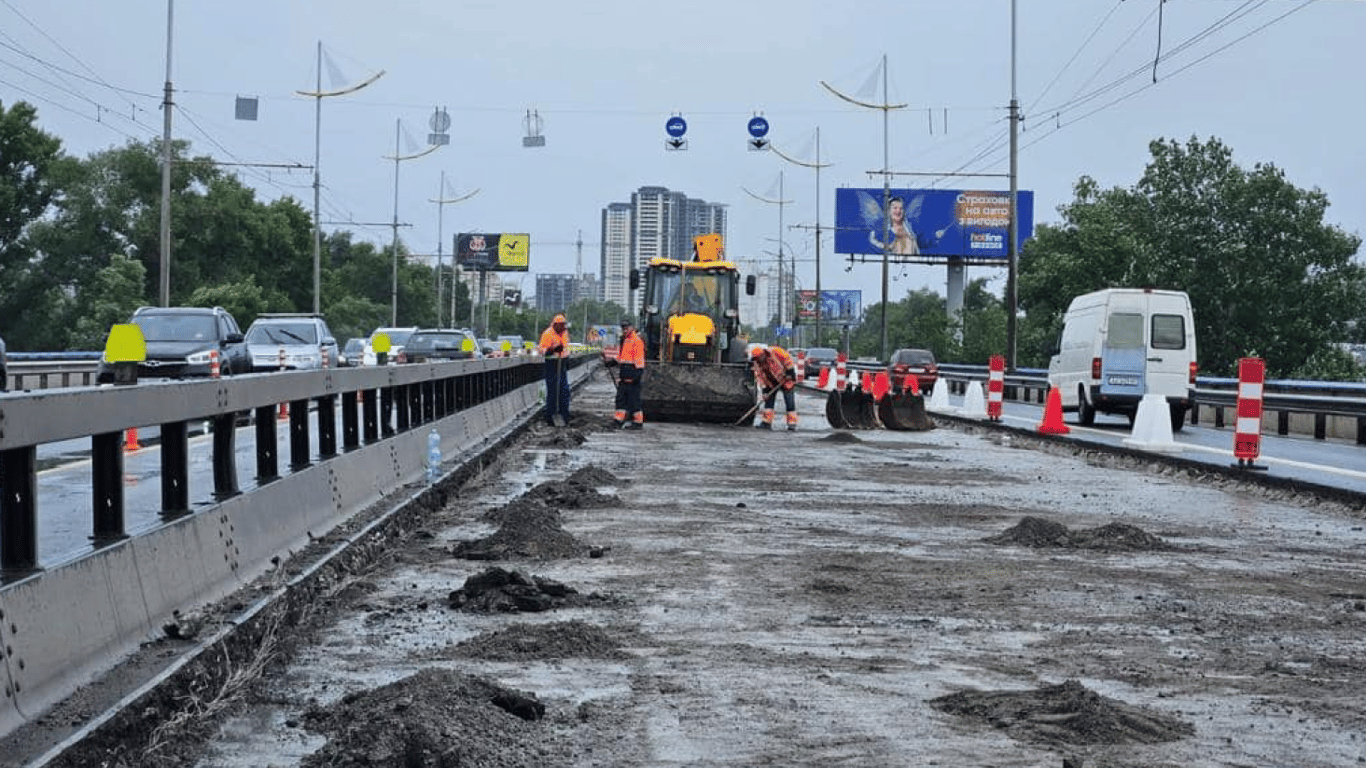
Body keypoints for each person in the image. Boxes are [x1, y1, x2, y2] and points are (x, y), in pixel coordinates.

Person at [750, 345, 799, 431]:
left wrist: (790, 372)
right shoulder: (757, 363)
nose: (758, 360)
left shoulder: (776, 352)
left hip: (786, 379)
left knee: (789, 402)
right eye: (756, 358)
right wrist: (764, 391)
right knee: (768, 403)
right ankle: (766, 423)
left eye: (759, 357)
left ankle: (792, 424)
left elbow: (787, 359)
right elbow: (760, 377)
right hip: (770, 383)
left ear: (763, 354)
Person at [609, 317, 645, 429]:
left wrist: (637, 374)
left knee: (633, 401)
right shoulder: (624, 340)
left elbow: (639, 359)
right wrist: (611, 362)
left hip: (633, 374)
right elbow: (622, 356)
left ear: (632, 328)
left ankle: (638, 423)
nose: (625, 330)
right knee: (621, 400)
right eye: (623, 328)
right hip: (624, 375)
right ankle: (618, 421)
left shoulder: (636, 341)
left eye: (626, 328)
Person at [538, 313, 571, 426]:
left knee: (564, 390)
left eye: (563, 325)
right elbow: (542, 350)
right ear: (556, 325)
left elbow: (566, 347)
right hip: (551, 364)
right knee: (553, 391)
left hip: (562, 364)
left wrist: (565, 354)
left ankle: (564, 414)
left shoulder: (564, 333)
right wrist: (552, 349)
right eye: (560, 325)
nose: (562, 328)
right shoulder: (548, 333)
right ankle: (550, 415)